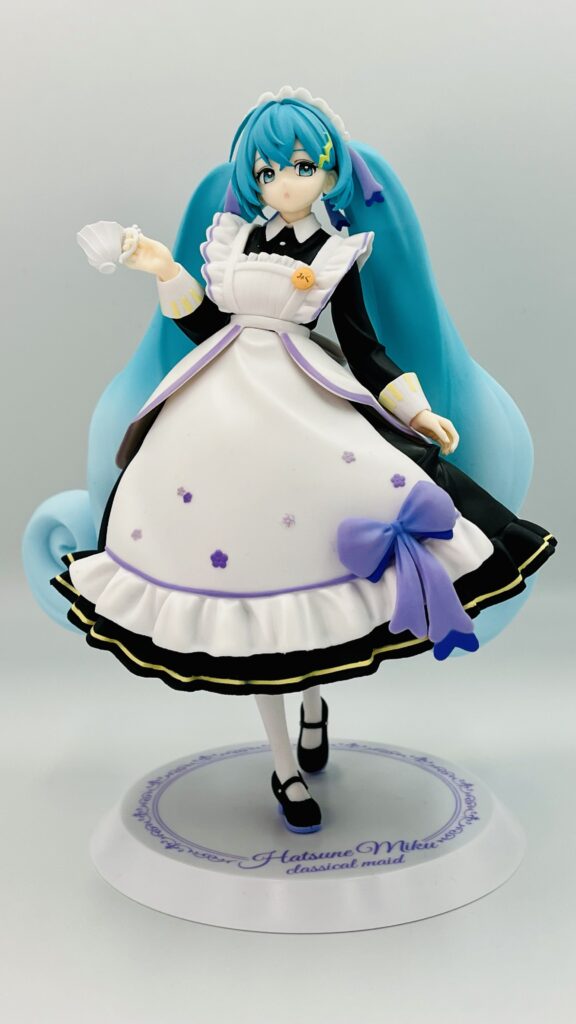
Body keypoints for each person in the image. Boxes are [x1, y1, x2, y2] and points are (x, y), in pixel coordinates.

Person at [39, 86, 556, 834]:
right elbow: (206, 325)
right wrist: (161, 268)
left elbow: (366, 348)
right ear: (251, 177)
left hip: (305, 405)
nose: (285, 182)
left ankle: (315, 702)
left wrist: (416, 411)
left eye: (302, 166)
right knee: (249, 582)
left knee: (311, 559)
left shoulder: (340, 252)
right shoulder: (234, 241)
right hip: (220, 413)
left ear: (331, 171)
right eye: (268, 170)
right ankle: (282, 764)